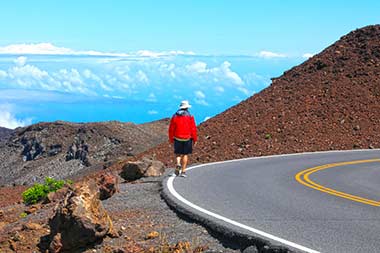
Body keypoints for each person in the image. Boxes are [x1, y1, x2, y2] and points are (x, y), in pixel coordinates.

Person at [168, 100, 197, 177]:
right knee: (185, 154)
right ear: (187, 107)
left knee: (178, 153)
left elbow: (171, 128)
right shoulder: (190, 116)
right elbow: (193, 128)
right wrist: (195, 139)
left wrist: (171, 138)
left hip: (177, 137)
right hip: (187, 137)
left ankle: (178, 164)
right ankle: (183, 172)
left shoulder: (175, 116)